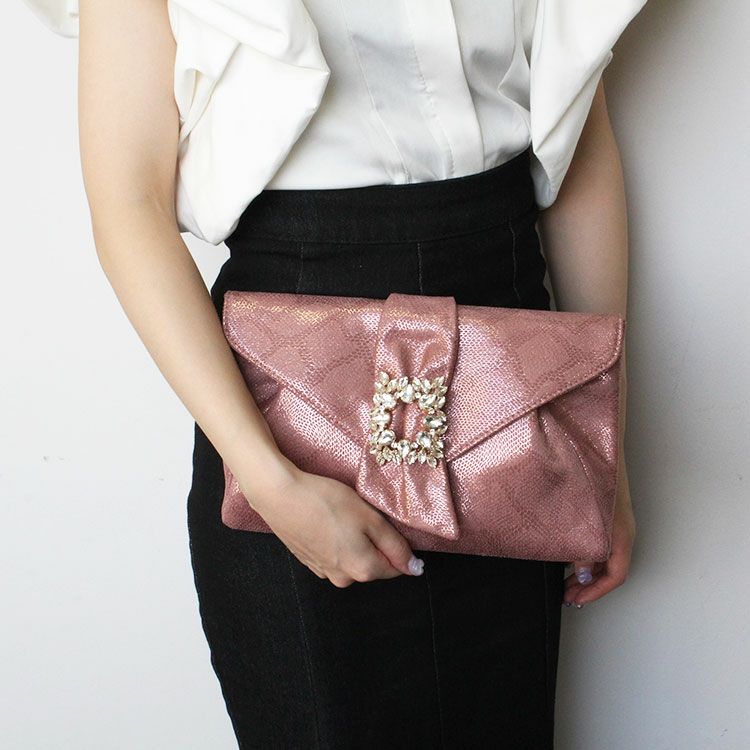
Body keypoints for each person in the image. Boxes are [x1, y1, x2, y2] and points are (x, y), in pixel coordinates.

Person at [26, 0, 643, 746]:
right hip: (289, 409)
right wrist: (270, 481)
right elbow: (130, 206)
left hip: (516, 379)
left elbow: (577, 148)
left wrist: (601, 449)